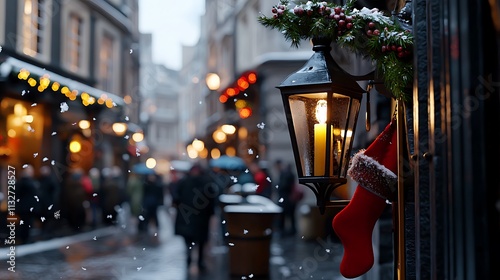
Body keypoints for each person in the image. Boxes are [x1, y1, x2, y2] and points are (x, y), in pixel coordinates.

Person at [173, 163, 217, 272]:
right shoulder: (207, 182)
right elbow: (212, 200)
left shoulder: (184, 182)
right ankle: (200, 261)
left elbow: (176, 198)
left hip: (188, 217)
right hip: (201, 218)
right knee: (200, 240)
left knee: (189, 239)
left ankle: (190, 258)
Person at [17, 165, 40, 244]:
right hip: (26, 207)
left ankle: (26, 238)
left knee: (27, 223)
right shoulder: (24, 182)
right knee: (25, 224)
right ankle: (24, 239)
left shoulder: (27, 181)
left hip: (28, 207)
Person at [275, 159, 298, 236]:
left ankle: (284, 231)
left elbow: (283, 186)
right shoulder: (288, 174)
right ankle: (291, 231)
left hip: (286, 199)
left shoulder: (286, 174)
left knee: (284, 215)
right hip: (288, 199)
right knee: (290, 216)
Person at [37, 165, 60, 239]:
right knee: (45, 219)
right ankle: (46, 232)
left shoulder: (50, 180)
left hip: (49, 203)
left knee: (49, 218)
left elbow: (55, 191)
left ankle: (48, 232)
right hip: (44, 203)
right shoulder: (41, 180)